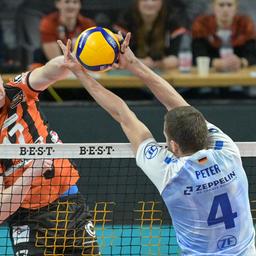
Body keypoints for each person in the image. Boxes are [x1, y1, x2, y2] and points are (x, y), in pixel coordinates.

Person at [58, 35, 256, 255]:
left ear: (174, 145)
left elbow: (123, 114)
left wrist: (78, 71)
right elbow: (178, 104)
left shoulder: (170, 173)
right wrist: (133, 63)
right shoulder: (227, 151)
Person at [0, 56, 99, 255]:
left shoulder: (18, 90)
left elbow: (48, 72)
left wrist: (70, 60)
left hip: (70, 206)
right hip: (28, 219)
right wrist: (32, 172)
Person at [113, 0, 187, 70]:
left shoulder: (173, 20)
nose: (150, 3)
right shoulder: (124, 21)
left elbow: (180, 57)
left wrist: (158, 63)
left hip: (164, 73)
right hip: (131, 74)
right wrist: (140, 62)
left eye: (154, 0)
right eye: (145, 0)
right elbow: (117, 58)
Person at [192, 0, 256, 72]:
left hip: (239, 74)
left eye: (229, 5)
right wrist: (217, 63)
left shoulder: (245, 24)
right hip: (210, 74)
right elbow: (196, 57)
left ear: (236, 8)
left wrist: (241, 62)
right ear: (213, 7)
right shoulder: (202, 23)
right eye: (221, 5)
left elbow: (253, 55)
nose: (225, 10)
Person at [31, 0, 96, 70]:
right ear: (57, 4)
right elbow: (55, 60)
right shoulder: (48, 23)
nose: (71, 6)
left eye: (75, 2)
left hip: (80, 67)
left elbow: (91, 57)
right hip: (50, 67)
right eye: (67, 2)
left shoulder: (88, 24)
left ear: (80, 5)